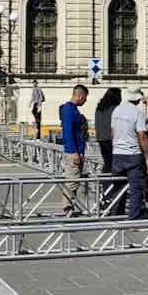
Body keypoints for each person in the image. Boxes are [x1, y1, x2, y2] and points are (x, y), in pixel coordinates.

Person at [109, 88, 148, 220]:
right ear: (138, 99)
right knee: (136, 187)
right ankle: (134, 216)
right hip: (133, 154)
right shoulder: (137, 113)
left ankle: (116, 214)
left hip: (117, 153)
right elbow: (142, 136)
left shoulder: (116, 110)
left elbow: (112, 132)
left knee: (118, 186)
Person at [58, 84, 89, 217]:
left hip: (77, 150)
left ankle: (70, 206)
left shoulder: (73, 110)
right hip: (73, 151)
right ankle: (67, 208)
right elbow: (68, 132)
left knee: (75, 180)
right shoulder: (69, 110)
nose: (85, 101)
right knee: (71, 180)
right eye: (85, 98)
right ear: (80, 96)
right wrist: (74, 152)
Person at [93, 87, 122, 176]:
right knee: (116, 164)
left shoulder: (99, 108)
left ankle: (106, 185)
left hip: (101, 139)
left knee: (107, 163)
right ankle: (115, 187)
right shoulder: (116, 109)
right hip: (112, 140)